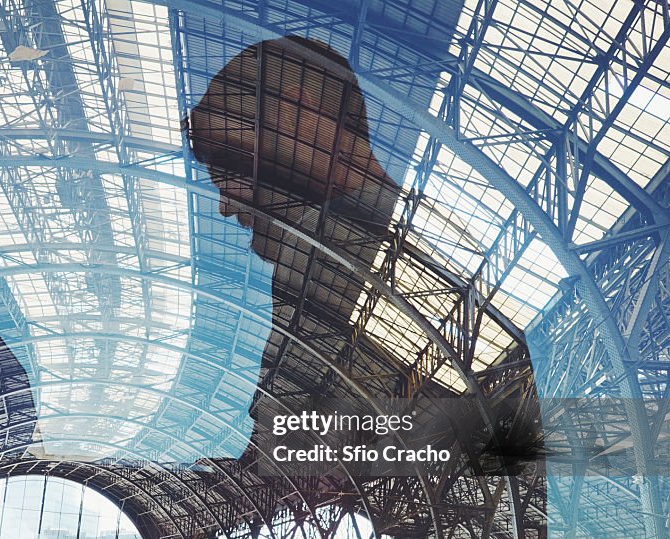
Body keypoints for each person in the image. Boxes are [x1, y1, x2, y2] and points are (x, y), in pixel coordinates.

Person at [185, 35, 542, 476]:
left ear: (304, 117)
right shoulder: (309, 271)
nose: (224, 202)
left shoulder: (443, 259)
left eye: (228, 159)